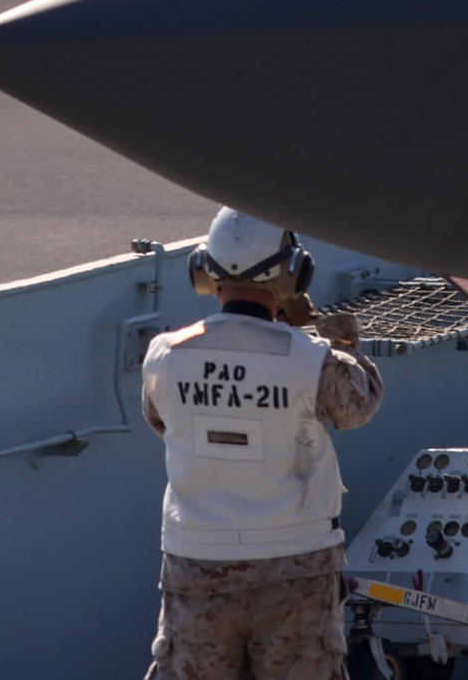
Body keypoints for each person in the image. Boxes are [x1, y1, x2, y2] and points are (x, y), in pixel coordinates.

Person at [139, 208, 386, 680]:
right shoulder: (311, 359)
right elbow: (359, 406)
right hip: (295, 565)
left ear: (203, 270)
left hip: (197, 560)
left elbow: (164, 423)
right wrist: (339, 340)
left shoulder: (165, 353)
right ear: (295, 273)